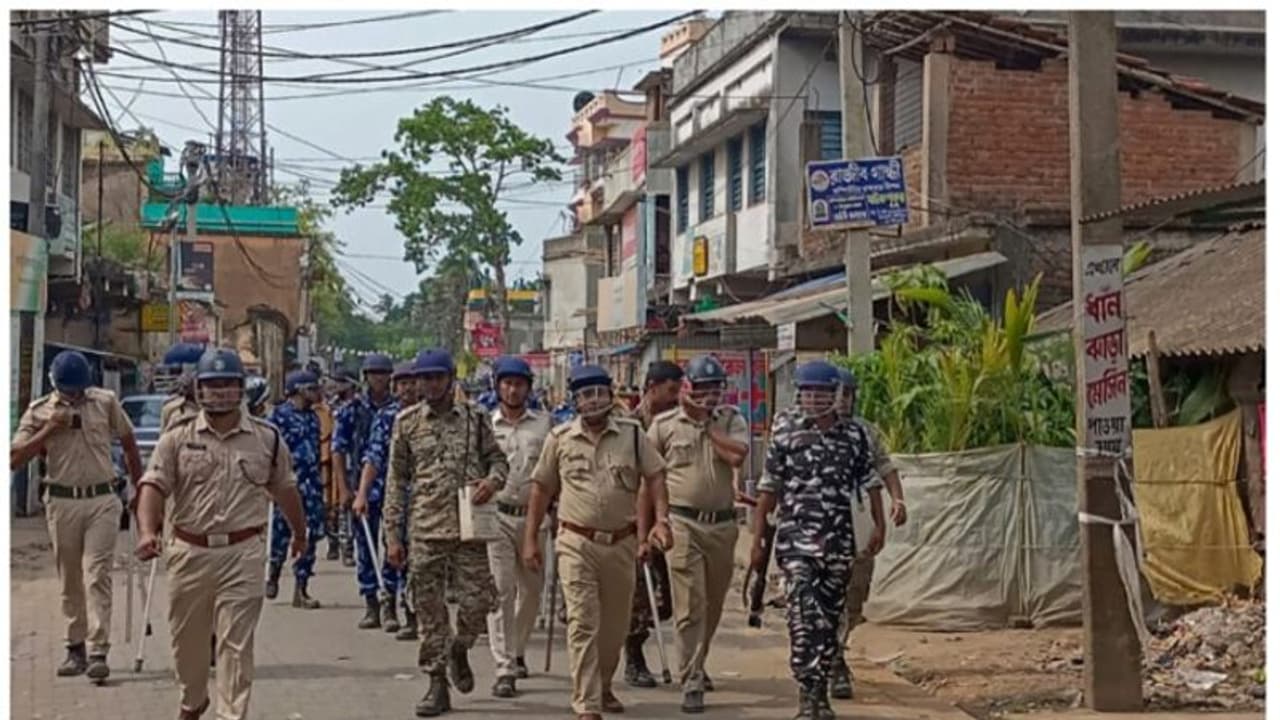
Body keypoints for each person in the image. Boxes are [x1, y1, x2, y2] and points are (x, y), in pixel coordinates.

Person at [134, 348, 308, 720]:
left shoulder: (267, 439)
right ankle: (193, 700)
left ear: (241, 389)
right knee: (187, 645)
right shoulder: (176, 439)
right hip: (188, 552)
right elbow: (152, 486)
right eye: (212, 385)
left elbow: (286, 489)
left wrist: (300, 533)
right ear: (198, 389)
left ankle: (232, 714)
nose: (220, 392)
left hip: (243, 552)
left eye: (228, 384)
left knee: (235, 644)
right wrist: (148, 532)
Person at [523, 364, 673, 720]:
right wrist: (530, 538)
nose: (593, 401)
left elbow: (655, 476)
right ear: (575, 400)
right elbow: (541, 488)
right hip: (575, 542)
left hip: (621, 544)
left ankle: (603, 685)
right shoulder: (559, 438)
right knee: (583, 622)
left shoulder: (634, 435)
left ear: (611, 395)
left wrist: (661, 521)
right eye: (585, 394)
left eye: (600, 393)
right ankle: (587, 704)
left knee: (615, 628)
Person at [749, 361, 883, 720]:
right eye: (809, 392)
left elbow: (870, 482)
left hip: (839, 543)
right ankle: (807, 693)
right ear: (800, 394)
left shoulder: (854, 435)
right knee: (803, 616)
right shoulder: (785, 430)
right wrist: (758, 539)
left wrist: (880, 527)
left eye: (822, 392)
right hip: (796, 544)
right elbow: (768, 487)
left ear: (835, 394)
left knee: (828, 618)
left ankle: (820, 688)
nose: (815, 398)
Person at [384, 348, 509, 717]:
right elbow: (397, 481)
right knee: (428, 610)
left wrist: (492, 481)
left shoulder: (475, 417)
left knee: (478, 603)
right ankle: (436, 682)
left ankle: (459, 648)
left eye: (437, 377)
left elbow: (498, 459)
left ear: (451, 378)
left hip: (469, 527)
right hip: (425, 529)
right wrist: (392, 535)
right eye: (424, 378)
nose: (430, 384)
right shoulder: (406, 423)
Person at [10, 350, 144, 681]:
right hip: (61, 502)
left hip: (101, 498)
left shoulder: (105, 401)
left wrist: (139, 487)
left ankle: (99, 649)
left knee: (97, 574)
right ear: (56, 385)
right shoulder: (39, 411)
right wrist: (47, 431)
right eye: (69, 391)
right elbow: (13, 459)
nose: (75, 396)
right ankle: (75, 647)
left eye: (79, 390)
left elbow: (128, 443)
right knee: (70, 578)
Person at [647, 355, 749, 713]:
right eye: (702, 388)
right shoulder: (662, 426)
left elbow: (737, 457)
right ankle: (690, 679)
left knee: (714, 604)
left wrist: (709, 427)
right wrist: (648, 529)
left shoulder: (732, 420)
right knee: (690, 604)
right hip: (682, 522)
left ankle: (698, 660)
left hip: (722, 524)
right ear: (687, 387)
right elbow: (650, 481)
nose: (709, 395)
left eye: (715, 388)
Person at [829, 367, 905, 700]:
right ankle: (831, 662)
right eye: (837, 393)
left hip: (859, 523)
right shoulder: (807, 430)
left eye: (848, 393)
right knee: (823, 598)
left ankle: (838, 651)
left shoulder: (865, 432)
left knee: (854, 597)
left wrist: (897, 500)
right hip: (821, 528)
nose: (842, 400)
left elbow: (884, 467)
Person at [484, 356, 553, 698]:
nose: (513, 389)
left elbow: (555, 471)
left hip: (535, 517)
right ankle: (505, 666)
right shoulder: (485, 424)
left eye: (519, 384)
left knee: (531, 591)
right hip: (496, 515)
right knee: (500, 590)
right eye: (507, 383)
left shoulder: (545, 425)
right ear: (497, 386)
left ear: (529, 387)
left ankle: (519, 648)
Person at [623, 360, 683, 688]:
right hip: (633, 522)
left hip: (666, 520)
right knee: (639, 595)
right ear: (652, 387)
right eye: (672, 391)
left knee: (667, 602)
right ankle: (634, 657)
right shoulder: (631, 427)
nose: (676, 398)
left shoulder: (678, 423)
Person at [351, 360, 417, 636]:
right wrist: (361, 493)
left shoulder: (433, 415)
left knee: (419, 558)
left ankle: (412, 612)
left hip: (425, 498)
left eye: (413, 382)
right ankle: (385, 604)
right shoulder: (388, 417)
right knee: (393, 550)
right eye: (402, 383)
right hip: (390, 494)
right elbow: (374, 456)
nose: (408, 389)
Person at [333, 354, 397, 582]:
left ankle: (390, 595)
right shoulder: (351, 409)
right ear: (366, 376)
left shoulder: (398, 410)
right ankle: (371, 599)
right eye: (373, 374)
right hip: (361, 486)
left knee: (395, 542)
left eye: (383, 373)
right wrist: (343, 489)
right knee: (365, 545)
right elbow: (338, 450)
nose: (378, 379)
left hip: (394, 486)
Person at [265, 370, 325, 609]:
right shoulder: (278, 417)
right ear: (298, 390)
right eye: (310, 388)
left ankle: (301, 588)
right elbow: (267, 452)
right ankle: (273, 575)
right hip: (286, 484)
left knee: (308, 536)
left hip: (311, 486)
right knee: (280, 534)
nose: (315, 393)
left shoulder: (313, 418)